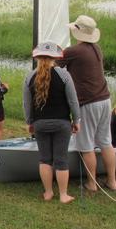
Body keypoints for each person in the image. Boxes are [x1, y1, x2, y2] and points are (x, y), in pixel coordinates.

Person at [56, 15, 116, 191]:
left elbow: (54, 63)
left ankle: (92, 184)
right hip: (104, 99)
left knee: (86, 144)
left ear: (77, 31)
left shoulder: (73, 51)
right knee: (106, 141)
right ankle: (112, 181)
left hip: (88, 102)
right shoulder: (96, 48)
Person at [23, 42, 81, 204]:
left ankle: (48, 193)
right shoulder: (64, 75)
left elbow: (27, 104)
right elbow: (73, 101)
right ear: (55, 57)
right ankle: (63, 195)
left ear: (38, 57)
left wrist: (29, 122)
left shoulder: (30, 77)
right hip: (62, 123)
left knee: (45, 159)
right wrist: (76, 120)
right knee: (61, 159)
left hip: (40, 124)